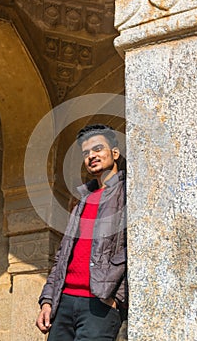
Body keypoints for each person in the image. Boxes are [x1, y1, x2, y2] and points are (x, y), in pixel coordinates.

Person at [36, 124, 127, 341]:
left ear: (114, 153)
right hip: (64, 301)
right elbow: (62, 256)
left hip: (100, 304)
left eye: (97, 149)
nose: (91, 156)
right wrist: (48, 300)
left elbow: (137, 250)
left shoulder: (128, 193)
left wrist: (118, 297)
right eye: (86, 153)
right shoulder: (81, 201)